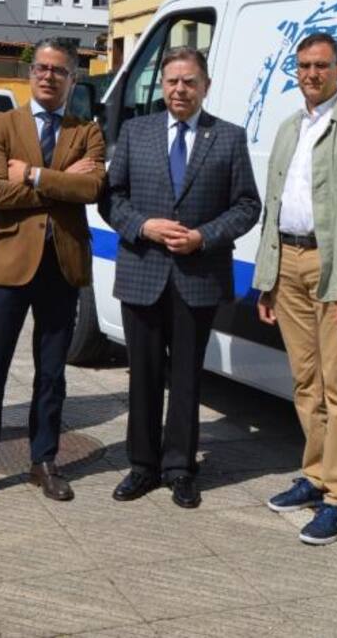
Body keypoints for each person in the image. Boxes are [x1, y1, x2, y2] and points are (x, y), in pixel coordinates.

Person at [101, 46, 261, 508]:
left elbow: (247, 205)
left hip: (197, 275)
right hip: (142, 273)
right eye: (172, 80)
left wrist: (203, 237)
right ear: (162, 84)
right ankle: (142, 465)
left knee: (188, 377)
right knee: (144, 375)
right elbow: (111, 199)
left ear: (205, 87)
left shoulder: (228, 138)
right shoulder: (136, 132)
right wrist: (143, 226)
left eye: (189, 81)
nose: (179, 89)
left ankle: (180, 467)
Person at [0, 41, 105, 508]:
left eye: (60, 71)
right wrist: (61, 183)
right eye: (42, 67)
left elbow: (94, 186)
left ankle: (44, 461)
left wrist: (34, 176)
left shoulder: (87, 131)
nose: (49, 76)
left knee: (52, 373)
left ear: (72, 79)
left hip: (61, 265)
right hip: (7, 266)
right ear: (30, 71)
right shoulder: (0, 123)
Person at [252, 32, 337, 545]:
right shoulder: (290, 127)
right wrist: (267, 279)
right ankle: (314, 476)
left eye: (321, 66)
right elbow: (273, 208)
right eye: (304, 66)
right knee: (306, 382)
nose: (311, 74)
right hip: (288, 261)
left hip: (335, 269)